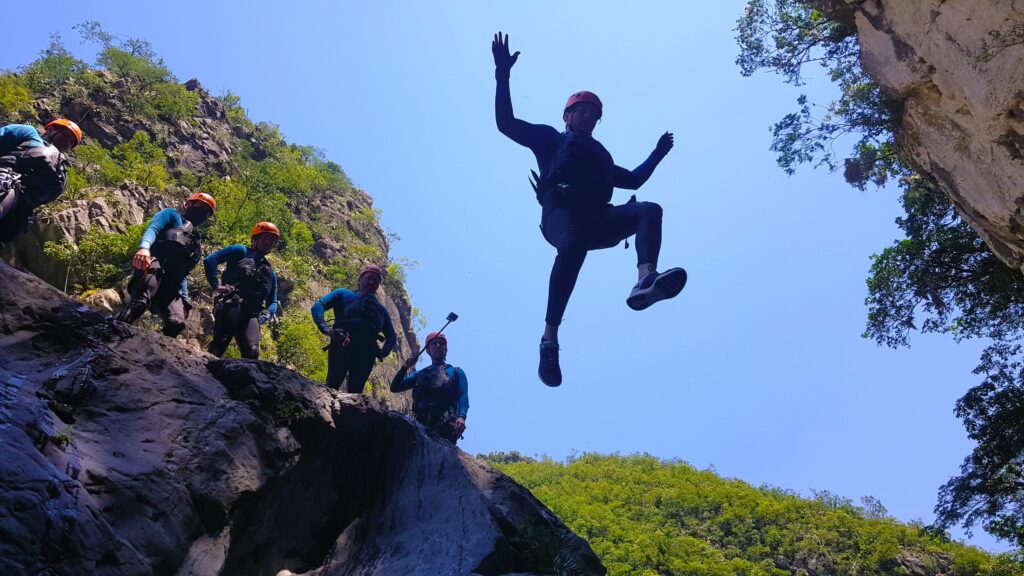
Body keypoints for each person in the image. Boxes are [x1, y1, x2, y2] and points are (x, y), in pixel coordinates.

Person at [492, 31, 686, 387]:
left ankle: (645, 280)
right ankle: (549, 339)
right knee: (574, 244)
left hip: (597, 221)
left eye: (593, 113)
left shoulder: (601, 157)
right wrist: (502, 75)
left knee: (649, 209)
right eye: (580, 111)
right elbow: (506, 124)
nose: (586, 116)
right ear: (567, 116)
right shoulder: (552, 139)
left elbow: (635, 180)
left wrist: (658, 153)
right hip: (560, 218)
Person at [114, 192, 217, 336]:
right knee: (140, 302)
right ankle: (111, 333)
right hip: (153, 267)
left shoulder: (195, 241)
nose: (203, 212)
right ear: (188, 204)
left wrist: (185, 298)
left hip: (172, 285)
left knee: (177, 322)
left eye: (207, 212)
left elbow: (183, 272)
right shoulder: (172, 215)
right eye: (201, 206)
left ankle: (152, 349)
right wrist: (144, 248)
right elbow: (153, 229)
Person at [311, 264, 397, 393]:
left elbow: (392, 335)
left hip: (367, 350)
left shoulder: (382, 310)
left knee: (356, 391)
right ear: (359, 280)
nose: (372, 282)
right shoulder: (343, 294)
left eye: (376, 280)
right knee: (332, 383)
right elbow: (319, 306)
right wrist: (325, 328)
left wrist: (383, 352)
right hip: (342, 341)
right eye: (368, 278)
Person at [203, 221, 280, 359]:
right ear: (255, 239)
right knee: (220, 344)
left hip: (251, 313)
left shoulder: (270, 273)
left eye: (272, 240)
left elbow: (273, 301)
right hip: (231, 302)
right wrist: (215, 285)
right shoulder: (240, 251)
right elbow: (210, 260)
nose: (269, 242)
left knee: (252, 353)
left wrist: (268, 312)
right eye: (266, 238)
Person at [0, 119, 82, 240]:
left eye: (70, 141)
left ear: (50, 129)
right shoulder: (61, 176)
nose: (67, 142)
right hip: (12, 220)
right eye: (67, 136)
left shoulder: (29, 133)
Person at [390, 332, 468, 444]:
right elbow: (395, 387)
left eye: (442, 344)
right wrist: (404, 367)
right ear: (428, 350)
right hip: (419, 422)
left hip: (445, 424)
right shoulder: (419, 374)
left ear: (446, 350)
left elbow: (463, 395)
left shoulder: (456, 372)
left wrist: (462, 417)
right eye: (434, 344)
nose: (438, 346)